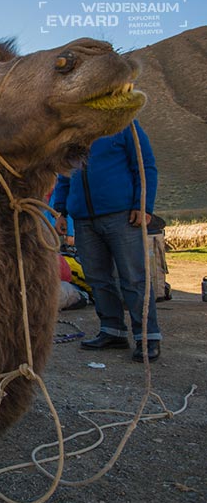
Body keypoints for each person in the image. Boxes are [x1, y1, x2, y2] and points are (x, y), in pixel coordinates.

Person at [52, 119, 162, 362]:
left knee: (133, 276)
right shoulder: (73, 133)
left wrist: (142, 205)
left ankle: (147, 337)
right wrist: (61, 211)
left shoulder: (124, 125)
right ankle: (112, 331)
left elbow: (145, 166)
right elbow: (65, 176)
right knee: (97, 277)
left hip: (121, 214)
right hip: (83, 218)